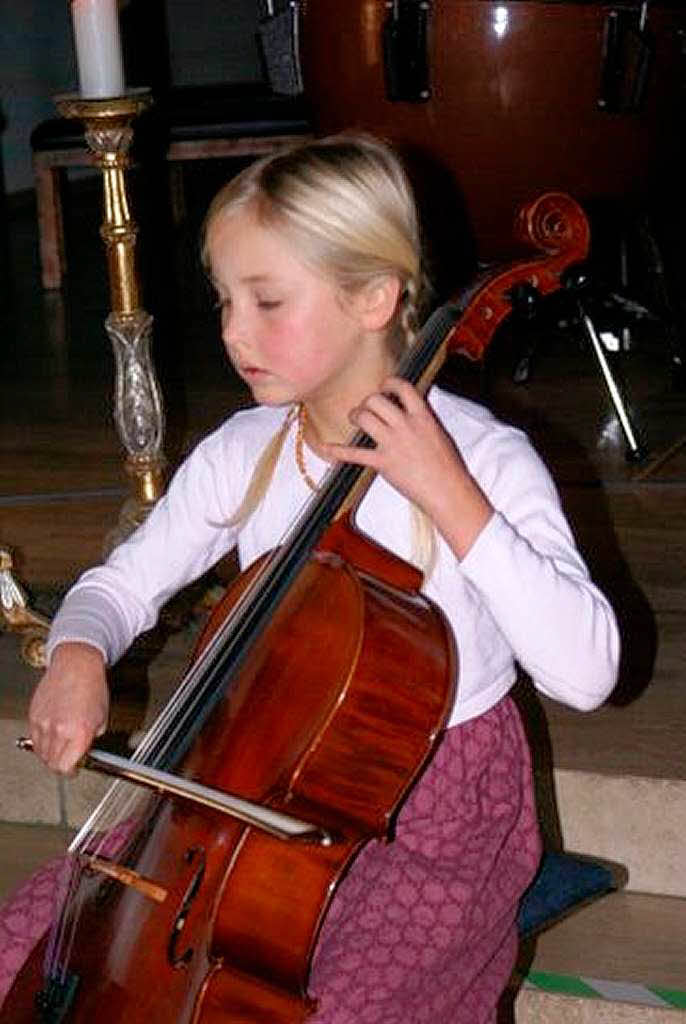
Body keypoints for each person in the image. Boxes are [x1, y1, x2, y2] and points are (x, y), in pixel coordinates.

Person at [5, 134, 619, 1021]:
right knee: (39, 949)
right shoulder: (246, 451)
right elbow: (120, 588)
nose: (230, 331)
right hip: (248, 787)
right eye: (223, 300)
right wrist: (76, 653)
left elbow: (589, 672)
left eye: (266, 301)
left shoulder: (483, 459)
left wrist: (450, 495)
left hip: (430, 821)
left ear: (375, 297)